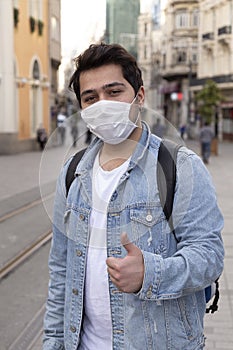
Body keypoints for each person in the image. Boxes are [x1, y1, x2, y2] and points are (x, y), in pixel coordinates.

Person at [43, 43, 224, 350]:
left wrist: (151, 273)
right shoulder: (73, 173)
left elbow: (210, 256)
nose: (102, 104)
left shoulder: (180, 166)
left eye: (114, 92)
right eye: (91, 98)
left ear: (139, 97)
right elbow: (61, 271)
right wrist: (53, 343)